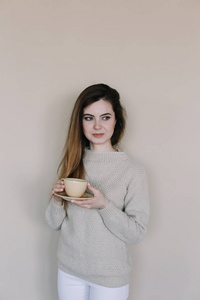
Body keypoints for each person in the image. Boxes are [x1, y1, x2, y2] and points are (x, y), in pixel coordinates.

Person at [45, 83, 150, 300]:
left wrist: (104, 206)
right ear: (80, 122)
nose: (97, 126)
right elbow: (53, 223)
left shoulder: (133, 171)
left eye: (105, 117)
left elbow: (136, 233)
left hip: (110, 277)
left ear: (116, 120)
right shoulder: (72, 163)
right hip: (69, 271)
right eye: (89, 118)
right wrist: (56, 200)